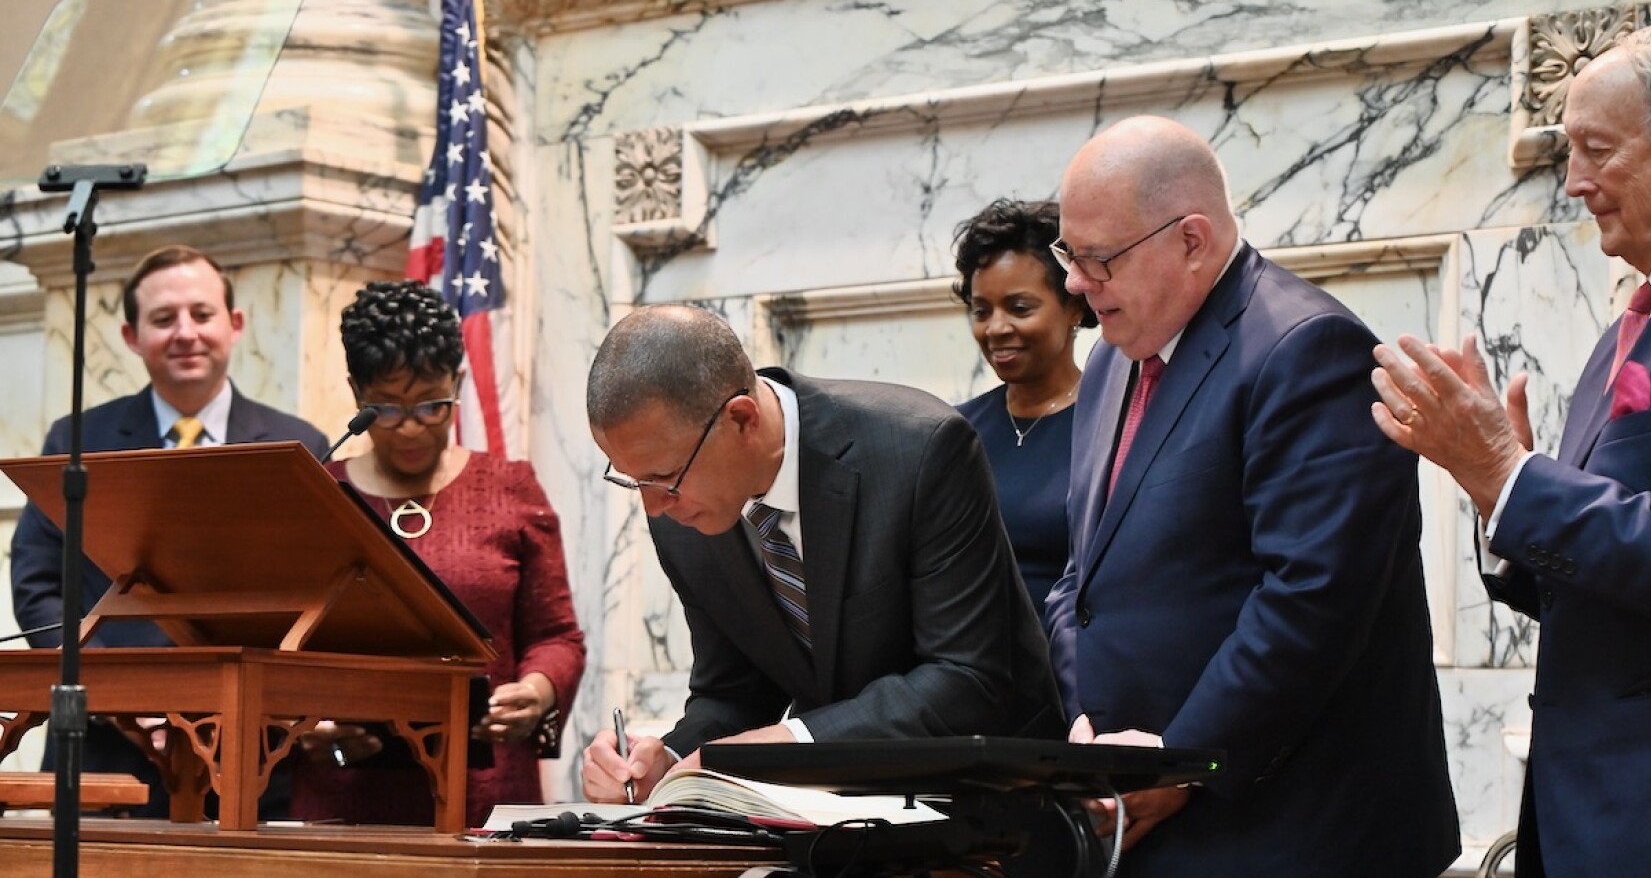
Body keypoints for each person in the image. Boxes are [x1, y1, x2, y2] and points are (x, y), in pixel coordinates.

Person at [1369, 23, 1651, 878]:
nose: (1574, 181)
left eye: (1596, 150)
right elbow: (1619, 569)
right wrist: (1495, 496)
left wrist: (1512, 475)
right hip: (1609, 834)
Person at [1045, 116, 1458, 878]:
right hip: (1142, 822)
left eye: (1097, 260)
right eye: (1070, 256)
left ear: (1192, 240)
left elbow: (1313, 597)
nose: (1074, 287)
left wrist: (1186, 763)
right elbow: (1079, 577)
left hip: (1290, 836)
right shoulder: (1110, 361)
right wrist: (1086, 727)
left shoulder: (1308, 348)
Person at [579, 304, 1063, 801]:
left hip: (996, 805)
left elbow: (965, 680)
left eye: (664, 479)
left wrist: (788, 743)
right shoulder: (686, 516)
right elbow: (735, 692)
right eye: (632, 480)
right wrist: (667, 760)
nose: (654, 508)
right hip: (836, 825)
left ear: (741, 419)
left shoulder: (919, 448)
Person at [9, 244, 328, 817]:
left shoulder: (298, 447)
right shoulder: (79, 441)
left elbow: (322, 590)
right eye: (163, 319)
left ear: (235, 326)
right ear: (132, 337)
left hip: (250, 757)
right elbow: (39, 586)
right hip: (101, 752)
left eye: (201, 315)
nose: (185, 333)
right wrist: (118, 698)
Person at [289, 280, 585, 828]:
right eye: (387, 409)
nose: (410, 427)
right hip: (345, 797)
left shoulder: (510, 487)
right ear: (357, 393)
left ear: (460, 383)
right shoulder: (320, 497)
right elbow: (280, 646)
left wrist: (537, 690)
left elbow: (556, 636)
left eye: (432, 405)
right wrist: (307, 723)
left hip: (486, 791)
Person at [952, 198, 1096, 617]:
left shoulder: (1113, 422)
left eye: (1019, 308)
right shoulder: (952, 431)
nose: (996, 328)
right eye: (981, 311)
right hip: (972, 669)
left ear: (1073, 306)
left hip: (1073, 669)